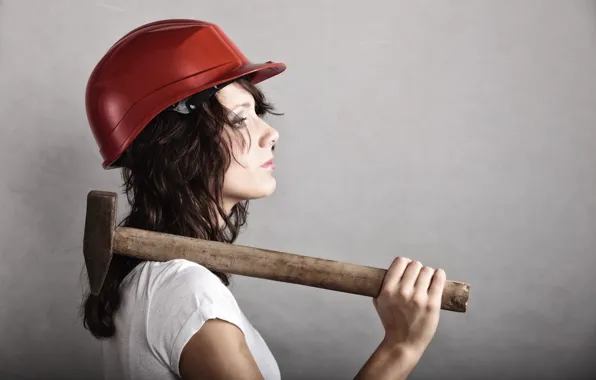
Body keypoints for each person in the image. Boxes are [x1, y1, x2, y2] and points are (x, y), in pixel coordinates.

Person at [81, 19, 447, 380]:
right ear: (176, 146)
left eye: (258, 113)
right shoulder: (186, 292)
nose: (271, 133)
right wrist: (401, 348)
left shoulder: (152, 283)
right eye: (240, 119)